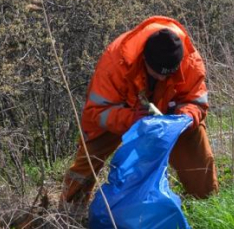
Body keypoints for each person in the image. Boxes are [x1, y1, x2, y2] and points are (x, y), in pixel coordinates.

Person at [61, 16, 218, 206]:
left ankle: (206, 203)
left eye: (168, 74)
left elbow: (197, 101)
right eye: (157, 73)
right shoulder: (114, 63)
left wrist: (185, 118)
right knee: (90, 157)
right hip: (123, 112)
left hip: (172, 113)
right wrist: (130, 119)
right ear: (144, 58)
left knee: (194, 135)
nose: (162, 78)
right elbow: (97, 112)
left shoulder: (190, 60)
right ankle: (69, 208)